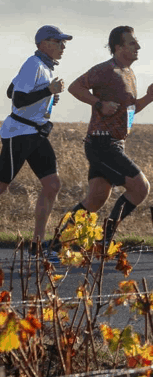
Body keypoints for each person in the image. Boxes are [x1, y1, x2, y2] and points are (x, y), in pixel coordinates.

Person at [0, 25, 70, 259]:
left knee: (52, 185)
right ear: (43, 43)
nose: (63, 46)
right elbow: (18, 100)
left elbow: (11, 90)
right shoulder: (34, 65)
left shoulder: (44, 66)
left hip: (36, 133)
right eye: (59, 41)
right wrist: (47, 91)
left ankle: (37, 245)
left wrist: (46, 96)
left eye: (64, 42)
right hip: (19, 133)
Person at [59, 25, 153, 246]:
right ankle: (105, 239)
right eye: (132, 43)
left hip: (114, 144)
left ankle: (55, 245)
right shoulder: (106, 70)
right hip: (102, 143)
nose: (138, 46)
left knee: (96, 198)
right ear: (118, 47)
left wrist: (149, 97)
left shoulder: (128, 73)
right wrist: (98, 103)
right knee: (140, 188)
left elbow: (129, 111)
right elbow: (75, 87)